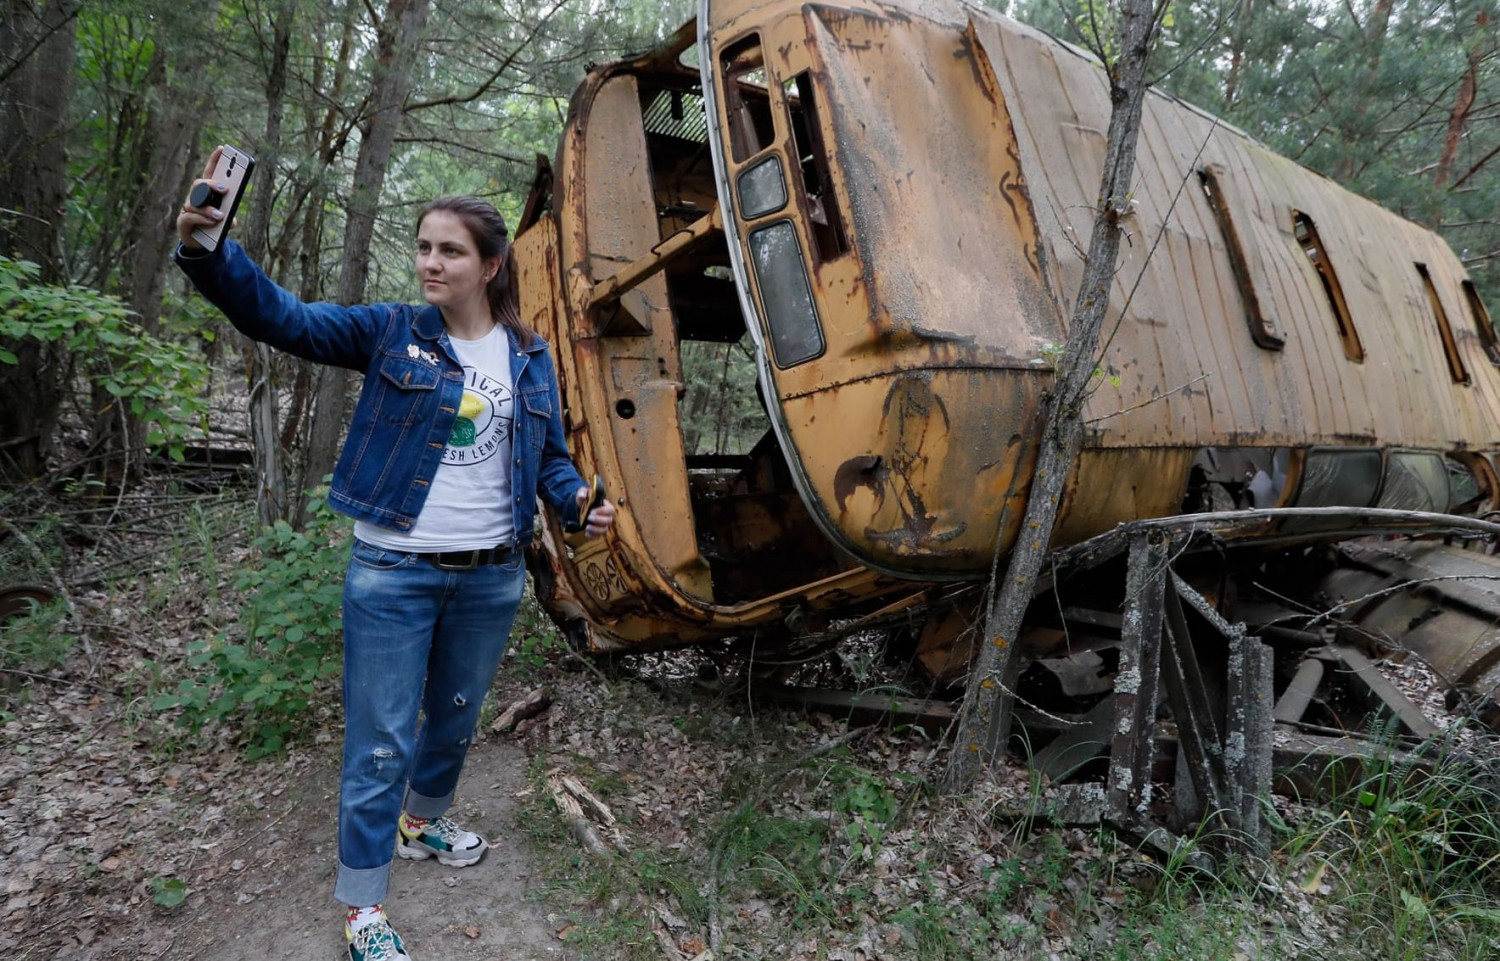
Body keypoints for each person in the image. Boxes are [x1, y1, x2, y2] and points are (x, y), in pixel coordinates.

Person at [174, 148, 616, 961]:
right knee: (380, 740)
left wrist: (577, 501)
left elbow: (549, 457)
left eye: (449, 249)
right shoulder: (388, 332)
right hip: (393, 574)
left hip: (491, 574)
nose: (429, 263)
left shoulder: (528, 354)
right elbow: (286, 318)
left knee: (453, 718)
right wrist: (210, 249)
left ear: (490, 265)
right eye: (422, 246)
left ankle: (425, 821)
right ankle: (363, 908)